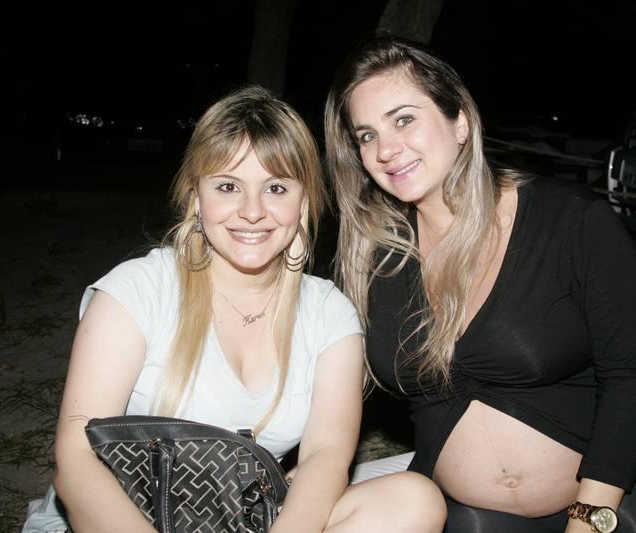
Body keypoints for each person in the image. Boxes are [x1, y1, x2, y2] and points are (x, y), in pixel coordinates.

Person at [324, 34, 636, 532]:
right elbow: (326, 383)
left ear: (460, 121)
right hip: (469, 513)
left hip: (609, 497)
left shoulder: (570, 220)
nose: (386, 150)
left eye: (404, 119)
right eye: (366, 135)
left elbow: (629, 378)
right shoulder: (375, 256)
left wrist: (587, 520)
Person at [26, 86, 446, 532]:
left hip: (243, 515)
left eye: (276, 188)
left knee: (413, 500)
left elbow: (324, 456)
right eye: (228, 186)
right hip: (121, 517)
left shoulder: (328, 315)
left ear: (303, 201)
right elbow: (77, 459)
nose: (252, 211)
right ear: (196, 197)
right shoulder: (137, 291)